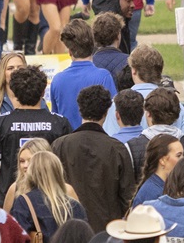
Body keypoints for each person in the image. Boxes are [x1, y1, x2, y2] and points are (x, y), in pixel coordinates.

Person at [53, 86, 134, 232]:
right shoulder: (117, 148)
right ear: (106, 112)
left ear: (80, 109)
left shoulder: (60, 145)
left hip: (68, 228)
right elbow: (127, 197)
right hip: (107, 230)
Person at [0, 65, 70, 192]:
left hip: (12, 196)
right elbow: (68, 167)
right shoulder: (60, 123)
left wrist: (7, 178)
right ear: (43, 92)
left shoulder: (1, 123)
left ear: (14, 92)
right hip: (50, 196)